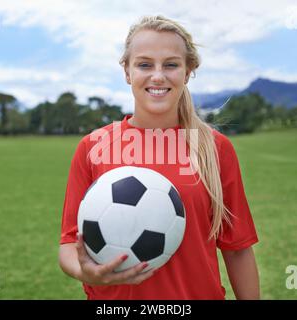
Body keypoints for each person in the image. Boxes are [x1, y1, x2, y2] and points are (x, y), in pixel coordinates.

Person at [59, 15, 260, 300]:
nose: (157, 76)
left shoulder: (214, 148)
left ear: (188, 71)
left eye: (171, 65)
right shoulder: (93, 146)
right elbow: (69, 243)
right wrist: (84, 272)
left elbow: (237, 248)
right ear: (127, 72)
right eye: (144, 64)